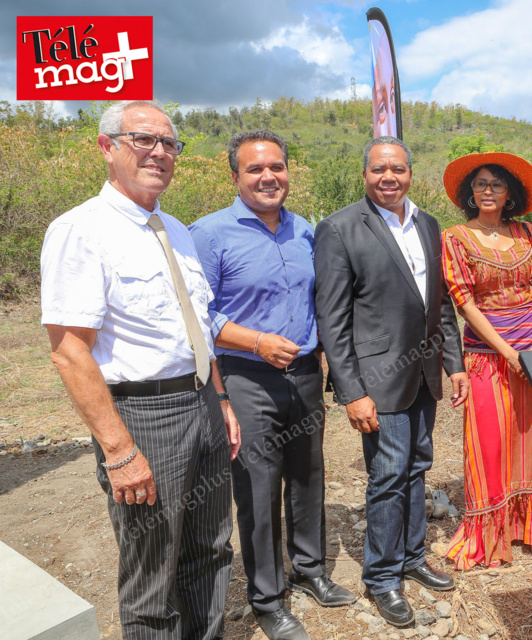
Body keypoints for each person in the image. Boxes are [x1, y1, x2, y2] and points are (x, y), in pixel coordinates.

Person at [39, 100, 240, 640]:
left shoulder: (176, 228)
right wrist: (119, 450)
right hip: (142, 415)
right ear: (107, 148)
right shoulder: (80, 230)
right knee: (152, 571)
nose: (159, 153)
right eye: (143, 140)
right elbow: (69, 352)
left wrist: (219, 400)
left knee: (210, 549)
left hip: (200, 404)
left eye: (169, 144)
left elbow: (193, 326)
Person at [190, 130, 355, 640]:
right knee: (258, 488)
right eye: (255, 169)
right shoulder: (209, 233)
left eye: (277, 167)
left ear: (288, 171)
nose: (268, 177)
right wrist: (256, 341)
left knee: (308, 474)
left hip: (304, 372)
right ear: (235, 175)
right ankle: (267, 598)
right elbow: (197, 314)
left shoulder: (306, 231)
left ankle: (311, 571)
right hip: (246, 376)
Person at [314, 136, 470, 628]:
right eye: (379, 169)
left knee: (417, 467)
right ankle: (382, 578)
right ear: (365, 174)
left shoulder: (427, 223)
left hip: (423, 374)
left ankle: (411, 557)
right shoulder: (340, 228)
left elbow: (438, 303)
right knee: (387, 476)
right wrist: (352, 391)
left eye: (398, 170)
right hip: (377, 382)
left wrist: (454, 363)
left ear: (409, 174)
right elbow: (332, 319)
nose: (389, 178)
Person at [440, 152, 532, 570]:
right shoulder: (456, 238)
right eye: (480, 184)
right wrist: (509, 352)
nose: (487, 191)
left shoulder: (526, 232)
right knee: (491, 441)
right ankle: (491, 531)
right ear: (469, 193)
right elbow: (464, 302)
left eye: (496, 185)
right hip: (488, 354)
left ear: (509, 194)